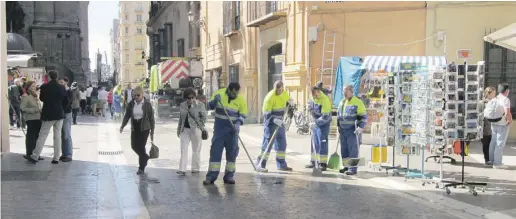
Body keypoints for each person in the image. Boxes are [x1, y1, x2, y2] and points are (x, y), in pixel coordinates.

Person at [204, 82, 248, 185]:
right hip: (219, 130)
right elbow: (208, 106)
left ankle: (229, 176)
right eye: (233, 93)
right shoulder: (219, 94)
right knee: (215, 153)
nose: (235, 95)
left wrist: (238, 122)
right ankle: (211, 177)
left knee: (232, 155)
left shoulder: (240, 100)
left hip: (232, 131)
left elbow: (243, 114)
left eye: (237, 93)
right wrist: (215, 101)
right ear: (228, 90)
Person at [28, 70, 67, 164]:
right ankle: (56, 158)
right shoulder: (61, 87)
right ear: (56, 77)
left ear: (49, 77)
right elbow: (65, 100)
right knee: (57, 136)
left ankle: (35, 156)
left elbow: (41, 98)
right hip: (59, 114)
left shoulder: (45, 87)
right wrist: (62, 108)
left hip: (48, 114)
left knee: (43, 135)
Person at [256, 80, 294, 171]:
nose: (279, 92)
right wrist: (274, 119)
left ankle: (281, 165)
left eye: (280, 90)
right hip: (271, 124)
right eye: (277, 90)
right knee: (267, 144)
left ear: (282, 88)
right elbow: (266, 113)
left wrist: (291, 103)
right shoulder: (269, 97)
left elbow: (287, 103)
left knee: (282, 144)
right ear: (274, 88)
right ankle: (260, 163)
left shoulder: (285, 94)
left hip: (280, 122)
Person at [120, 86, 155, 174]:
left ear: (142, 95)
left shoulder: (147, 104)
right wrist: (122, 126)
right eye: (134, 95)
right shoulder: (131, 104)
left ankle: (141, 168)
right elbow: (127, 116)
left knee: (141, 146)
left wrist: (152, 131)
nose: (136, 97)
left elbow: (151, 118)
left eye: (138, 95)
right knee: (134, 146)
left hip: (144, 127)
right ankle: (145, 157)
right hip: (135, 126)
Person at [336, 84, 367, 175]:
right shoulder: (342, 102)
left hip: (353, 130)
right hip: (343, 130)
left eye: (346, 91)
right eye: (343, 91)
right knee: (344, 149)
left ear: (351, 91)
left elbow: (363, 116)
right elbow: (339, 116)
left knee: (353, 150)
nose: (344, 93)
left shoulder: (357, 102)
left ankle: (353, 169)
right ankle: (346, 166)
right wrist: (338, 126)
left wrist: (360, 127)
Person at [177, 88, 207, 176]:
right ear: (185, 98)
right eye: (188, 98)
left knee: (196, 150)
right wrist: (179, 129)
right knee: (183, 149)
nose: (190, 100)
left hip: (196, 129)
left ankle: (195, 168)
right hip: (185, 130)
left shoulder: (200, 105)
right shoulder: (182, 105)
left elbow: (204, 117)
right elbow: (181, 118)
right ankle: (182, 169)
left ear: (195, 97)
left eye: (192, 97)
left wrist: (199, 125)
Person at [306, 86, 332, 171]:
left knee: (322, 143)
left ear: (318, 92)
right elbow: (311, 109)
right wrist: (309, 107)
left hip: (323, 125)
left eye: (315, 95)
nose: (314, 97)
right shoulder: (313, 98)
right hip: (315, 124)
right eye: (313, 96)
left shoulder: (325, 100)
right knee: (314, 143)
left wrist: (316, 123)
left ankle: (323, 164)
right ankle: (314, 161)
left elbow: (325, 116)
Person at [489, 83, 512, 169]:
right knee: (500, 143)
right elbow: (507, 112)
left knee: (493, 142)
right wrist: (509, 121)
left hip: (493, 123)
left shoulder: (495, 98)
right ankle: (497, 163)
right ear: (506, 91)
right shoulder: (505, 100)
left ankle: (491, 161)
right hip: (502, 124)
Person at [20, 81, 43, 160]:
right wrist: (34, 110)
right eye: (32, 86)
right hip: (30, 118)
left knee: (37, 136)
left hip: (38, 118)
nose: (34, 88)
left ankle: (35, 154)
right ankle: (29, 153)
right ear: (28, 87)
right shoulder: (25, 96)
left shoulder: (36, 95)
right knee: (31, 136)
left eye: (35, 86)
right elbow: (22, 108)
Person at [59, 77, 73, 162]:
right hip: (61, 113)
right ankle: (64, 153)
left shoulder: (69, 91)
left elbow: (68, 102)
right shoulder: (61, 91)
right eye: (59, 82)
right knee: (62, 134)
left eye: (62, 82)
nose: (60, 84)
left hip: (66, 113)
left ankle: (68, 154)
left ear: (66, 82)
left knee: (66, 134)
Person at [481, 87, 496, 165]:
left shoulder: (494, 102)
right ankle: (487, 159)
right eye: (493, 93)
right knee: (486, 144)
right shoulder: (483, 103)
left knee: (491, 144)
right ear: (489, 93)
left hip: (492, 126)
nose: (495, 95)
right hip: (486, 126)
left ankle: (491, 159)